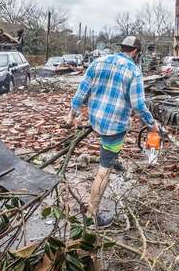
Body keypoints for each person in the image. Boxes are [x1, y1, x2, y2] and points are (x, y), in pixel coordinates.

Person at [65, 35, 161, 227]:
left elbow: (81, 92)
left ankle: (112, 158)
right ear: (135, 52)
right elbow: (139, 105)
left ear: (122, 48)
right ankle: (92, 215)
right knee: (104, 169)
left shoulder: (98, 62)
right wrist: (152, 125)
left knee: (109, 148)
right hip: (114, 127)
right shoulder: (134, 71)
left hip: (96, 119)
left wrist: (71, 115)